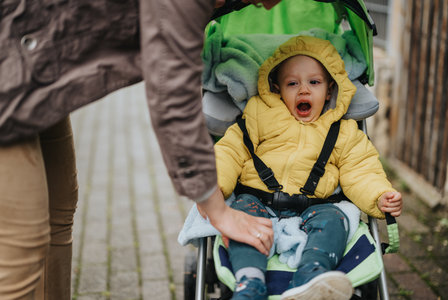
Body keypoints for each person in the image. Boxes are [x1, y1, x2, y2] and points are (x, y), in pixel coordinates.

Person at [0, 0, 280, 299]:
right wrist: (217, 210)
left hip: (41, 74)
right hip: (11, 67)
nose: (272, 7)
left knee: (59, 211)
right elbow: (172, 91)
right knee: (22, 245)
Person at [213, 35, 403, 300]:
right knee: (242, 214)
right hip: (257, 200)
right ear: (278, 89)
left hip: (317, 205)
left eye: (314, 82)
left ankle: (311, 280)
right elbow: (232, 149)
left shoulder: (343, 131)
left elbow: (360, 169)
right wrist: (215, 183)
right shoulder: (259, 114)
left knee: (337, 219)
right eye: (293, 83)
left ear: (329, 90)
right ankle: (250, 282)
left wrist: (379, 195)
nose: (303, 90)